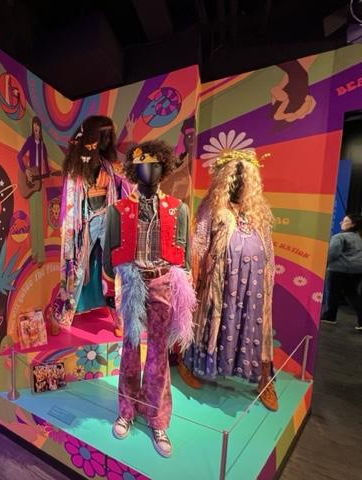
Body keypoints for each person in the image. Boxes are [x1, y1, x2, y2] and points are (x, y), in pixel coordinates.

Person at [104, 140, 195, 458]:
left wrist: (184, 290)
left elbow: (185, 255)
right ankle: (126, 411)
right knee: (130, 350)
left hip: (163, 282)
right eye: (143, 164)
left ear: (164, 167)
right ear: (133, 169)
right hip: (132, 282)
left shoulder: (177, 209)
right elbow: (108, 253)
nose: (150, 170)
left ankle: (157, 418)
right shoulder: (118, 210)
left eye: (156, 164)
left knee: (158, 353)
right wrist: (110, 288)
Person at [178, 149, 279, 412]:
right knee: (208, 321)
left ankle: (265, 379)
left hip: (253, 284)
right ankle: (187, 363)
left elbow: (268, 248)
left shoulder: (257, 211)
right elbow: (199, 243)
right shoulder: (212, 207)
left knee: (255, 325)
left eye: (244, 178)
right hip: (219, 281)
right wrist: (193, 277)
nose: (238, 183)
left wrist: (268, 276)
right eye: (234, 177)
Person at [51, 116, 130, 336]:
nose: (105, 141)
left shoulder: (109, 165)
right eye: (101, 136)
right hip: (85, 222)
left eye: (108, 137)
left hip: (108, 218)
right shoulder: (76, 168)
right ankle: (63, 315)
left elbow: (128, 186)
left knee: (113, 269)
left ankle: (120, 318)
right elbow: (71, 199)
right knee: (76, 269)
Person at [17, 116, 50, 266]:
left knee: (39, 219)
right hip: (31, 183)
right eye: (34, 125)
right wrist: (26, 171)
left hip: (39, 183)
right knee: (34, 218)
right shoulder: (30, 141)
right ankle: (35, 253)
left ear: (40, 128)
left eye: (38, 125)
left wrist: (48, 173)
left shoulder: (42, 144)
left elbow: (46, 163)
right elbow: (19, 156)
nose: (36, 128)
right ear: (32, 127)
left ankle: (41, 255)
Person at [321, 214, 362, 330]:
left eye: (345, 221)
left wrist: (323, 262)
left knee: (333, 293)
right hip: (357, 270)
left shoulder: (339, 237)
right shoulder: (359, 237)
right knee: (352, 294)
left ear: (353, 224)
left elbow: (332, 253)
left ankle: (330, 316)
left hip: (339, 269)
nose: (341, 223)